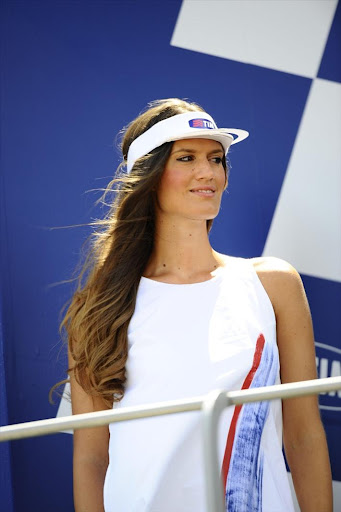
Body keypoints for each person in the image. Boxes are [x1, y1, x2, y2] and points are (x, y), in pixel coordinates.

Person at [64, 98, 332, 511]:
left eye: (216, 158)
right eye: (186, 158)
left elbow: (303, 436)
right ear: (149, 177)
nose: (208, 172)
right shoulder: (100, 306)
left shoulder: (273, 284)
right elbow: (92, 456)